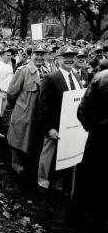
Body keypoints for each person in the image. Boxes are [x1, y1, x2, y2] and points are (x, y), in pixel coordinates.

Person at [69, 67, 108, 233]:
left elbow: (82, 110)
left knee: (91, 177)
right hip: (99, 136)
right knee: (89, 176)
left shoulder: (101, 77)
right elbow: (82, 110)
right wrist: (94, 129)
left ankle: (85, 217)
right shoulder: (102, 78)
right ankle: (80, 217)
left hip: (97, 136)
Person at [37, 46, 81, 192]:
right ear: (59, 58)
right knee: (48, 154)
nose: (69, 59)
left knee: (65, 156)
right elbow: (43, 106)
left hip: (70, 126)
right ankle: (42, 182)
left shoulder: (77, 77)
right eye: (65, 56)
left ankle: (58, 182)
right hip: (54, 125)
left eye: (72, 56)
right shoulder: (51, 78)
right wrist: (49, 128)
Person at [7, 45, 47, 179]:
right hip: (23, 112)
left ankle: (28, 164)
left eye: (43, 54)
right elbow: (12, 93)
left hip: (38, 114)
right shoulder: (23, 71)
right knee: (19, 138)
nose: (40, 57)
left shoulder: (47, 71)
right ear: (31, 55)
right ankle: (16, 165)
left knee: (32, 140)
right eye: (37, 54)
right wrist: (19, 108)